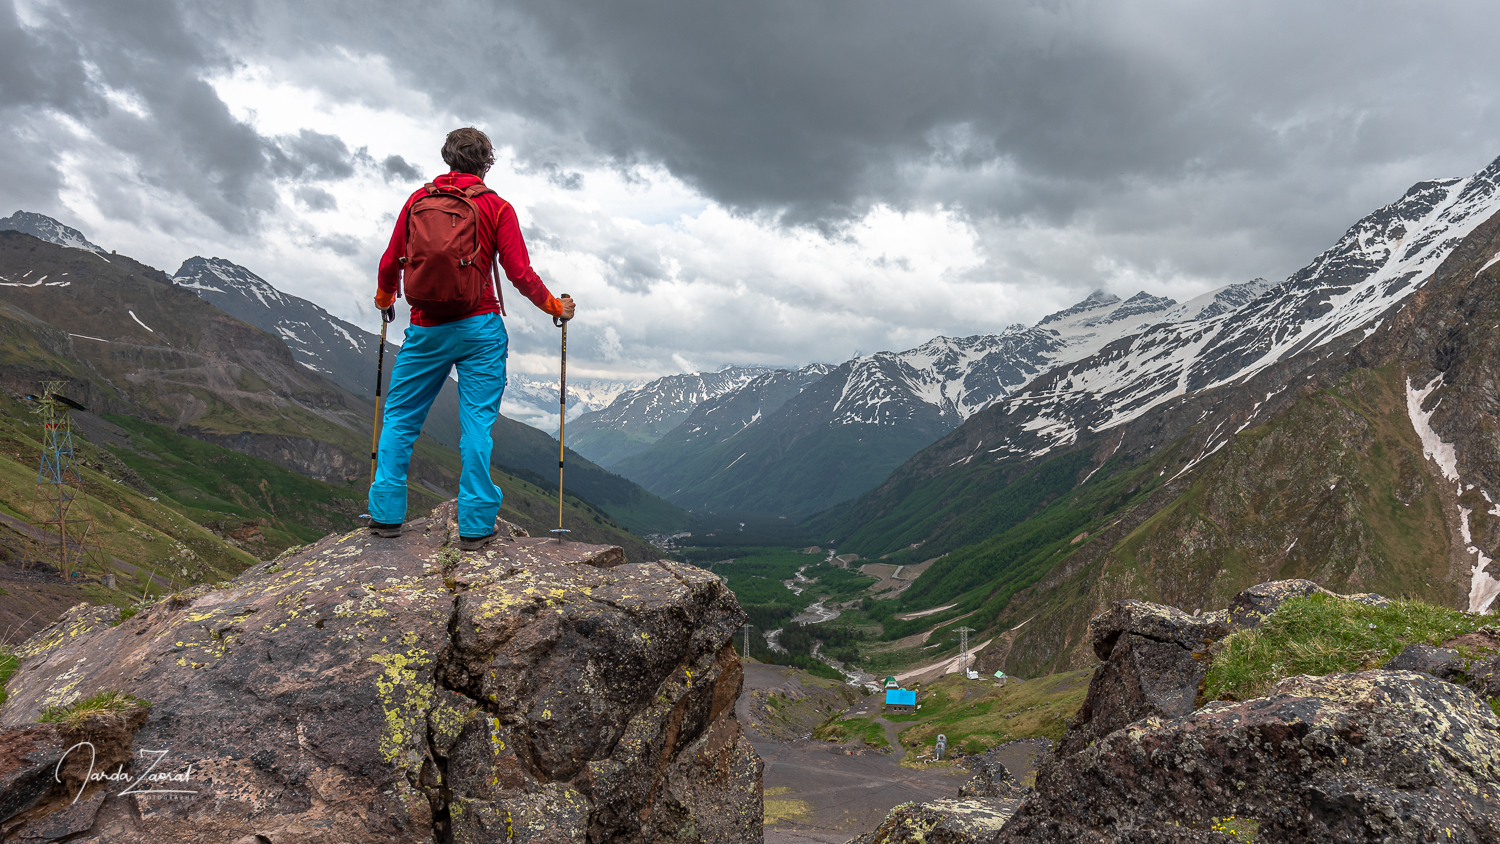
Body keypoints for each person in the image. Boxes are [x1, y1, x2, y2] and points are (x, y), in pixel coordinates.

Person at [367, 127, 576, 550]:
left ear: (447, 158)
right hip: (479, 327)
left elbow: (391, 260)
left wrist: (385, 297)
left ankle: (386, 512)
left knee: (401, 417)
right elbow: (519, 273)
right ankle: (476, 522)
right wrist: (556, 306)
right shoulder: (496, 207)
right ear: (487, 162)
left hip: (426, 328)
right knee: (476, 424)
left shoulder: (416, 202)